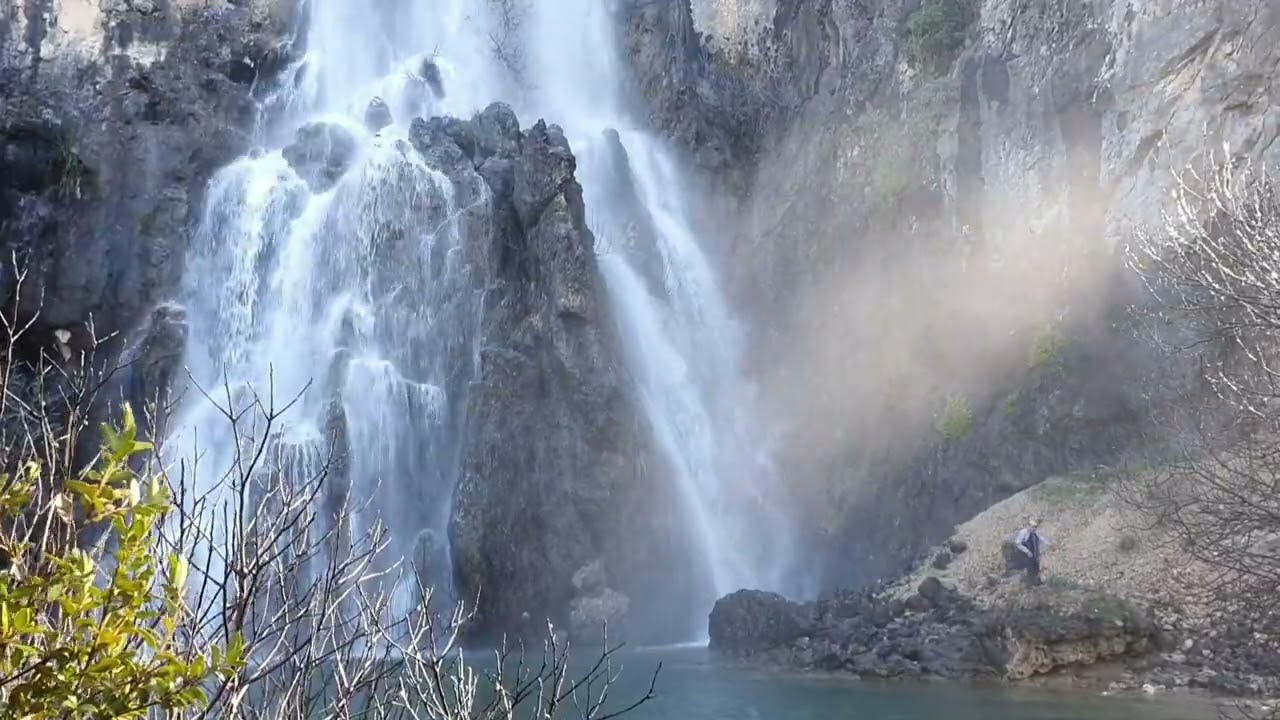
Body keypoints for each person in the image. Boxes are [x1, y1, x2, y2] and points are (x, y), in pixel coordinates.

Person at [1014, 517, 1051, 586]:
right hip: (1026, 554)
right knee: (1030, 568)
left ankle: (1037, 582)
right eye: (1033, 527)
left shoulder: (1035, 533)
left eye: (1035, 527)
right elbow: (1018, 543)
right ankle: (1029, 583)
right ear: (1029, 526)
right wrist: (1027, 551)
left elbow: (1041, 538)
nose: (1034, 528)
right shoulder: (1023, 533)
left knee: (1036, 567)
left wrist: (1049, 544)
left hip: (1034, 553)